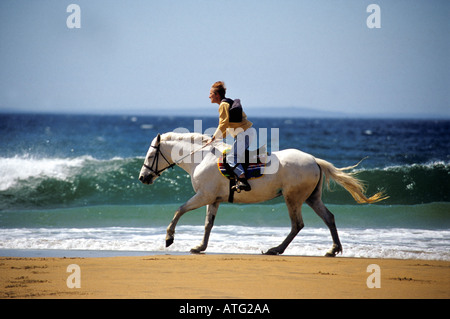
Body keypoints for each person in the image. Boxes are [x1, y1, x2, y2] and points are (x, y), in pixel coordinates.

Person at [206, 81, 255, 191]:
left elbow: (223, 124)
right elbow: (228, 127)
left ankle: (242, 180)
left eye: (210, 94)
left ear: (217, 95)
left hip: (243, 134)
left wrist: (213, 138)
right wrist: (216, 139)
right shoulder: (229, 102)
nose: (209, 96)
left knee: (230, 158)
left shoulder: (223, 105)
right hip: (247, 132)